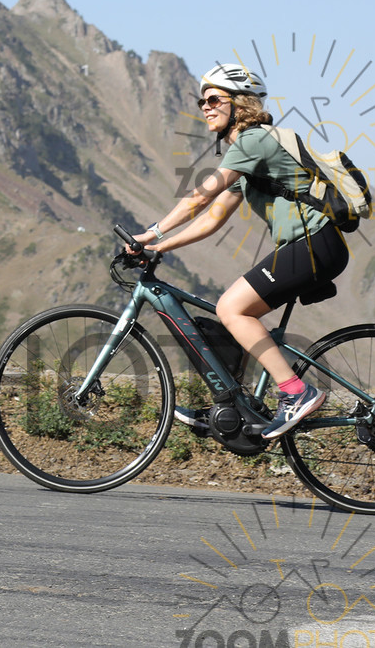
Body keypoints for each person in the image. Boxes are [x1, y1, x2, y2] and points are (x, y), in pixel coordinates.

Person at [126, 63, 348, 439]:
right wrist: (161, 246)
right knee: (234, 317)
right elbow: (213, 218)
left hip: (314, 242)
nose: (205, 107)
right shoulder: (248, 156)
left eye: (214, 99)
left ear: (239, 103)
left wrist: (152, 232)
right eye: (202, 102)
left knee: (231, 308)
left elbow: (201, 196)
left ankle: (297, 393)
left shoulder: (254, 141)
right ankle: (231, 406)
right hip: (311, 246)